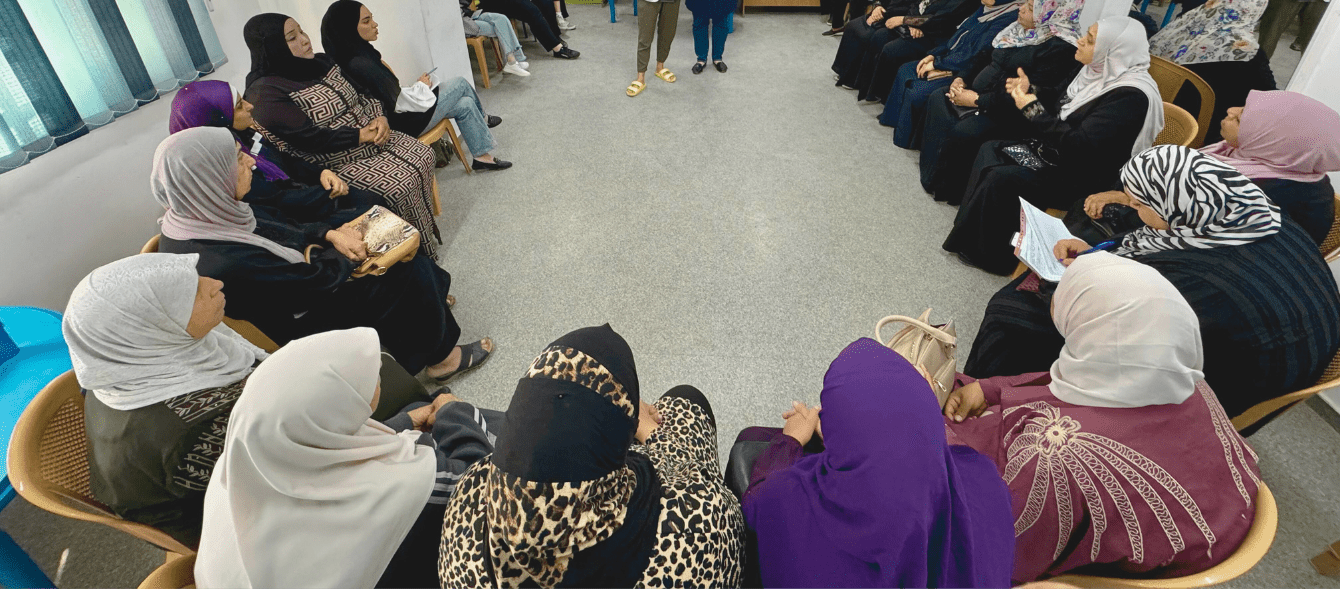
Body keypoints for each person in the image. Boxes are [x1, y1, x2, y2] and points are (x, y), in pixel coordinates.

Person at [945, 252, 1262, 584]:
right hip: (1209, 525)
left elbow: (996, 551)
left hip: (1087, 562)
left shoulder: (1053, 457)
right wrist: (993, 389)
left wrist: (925, 418)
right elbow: (1065, 391)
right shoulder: (1183, 379)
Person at [964, 146, 1340, 418]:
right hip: (1280, 351)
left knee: (1011, 317)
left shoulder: (1200, 280)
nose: (1134, 211)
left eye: (1141, 204)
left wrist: (1063, 278)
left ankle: (989, 409)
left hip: (1219, 383)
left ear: (1175, 206)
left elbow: (1133, 319)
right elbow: (1154, 246)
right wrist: (1099, 252)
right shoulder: (1249, 214)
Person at [153, 127, 493, 382]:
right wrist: (345, 255)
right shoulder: (222, 259)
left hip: (289, 282)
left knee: (372, 234)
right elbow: (312, 283)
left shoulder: (197, 213)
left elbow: (275, 226)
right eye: (239, 162)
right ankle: (442, 359)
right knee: (404, 270)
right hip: (298, 321)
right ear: (209, 177)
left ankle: (426, 309)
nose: (252, 166)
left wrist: (326, 233)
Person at [438, 324, 744, 588]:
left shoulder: (468, 499)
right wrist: (647, 431)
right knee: (686, 398)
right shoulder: (697, 526)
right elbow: (698, 484)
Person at [194, 328, 500, 588]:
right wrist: (453, 411)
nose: (379, 375)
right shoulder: (394, 487)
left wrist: (402, 424)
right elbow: (481, 480)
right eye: (372, 377)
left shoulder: (239, 464)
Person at [736, 339, 1015, 589]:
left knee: (752, 439)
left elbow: (756, 501)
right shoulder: (989, 490)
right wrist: (917, 416)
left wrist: (792, 440)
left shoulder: (788, 505)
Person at [63, 253, 266, 546]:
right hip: (233, 528)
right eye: (191, 294)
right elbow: (278, 475)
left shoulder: (131, 365)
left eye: (196, 279)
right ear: (147, 327)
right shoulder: (192, 429)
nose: (214, 283)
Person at [942, 17, 1164, 274]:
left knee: (1003, 177)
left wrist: (1031, 108)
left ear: (1113, 51)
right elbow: (1059, 95)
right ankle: (969, 231)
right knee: (991, 148)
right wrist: (1031, 89)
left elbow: (1079, 146)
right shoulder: (1095, 69)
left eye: (1090, 40)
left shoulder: (1129, 97)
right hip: (1059, 154)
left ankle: (992, 255)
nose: (1081, 40)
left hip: (1084, 176)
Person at [241, 13, 442, 255]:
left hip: (374, 137)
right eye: (292, 38)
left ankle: (422, 242)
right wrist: (360, 136)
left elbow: (364, 93)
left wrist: (381, 117)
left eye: (302, 31)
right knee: (397, 186)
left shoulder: (323, 61)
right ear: (273, 47)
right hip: (334, 159)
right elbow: (309, 137)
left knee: (422, 154)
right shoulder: (265, 93)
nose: (305, 40)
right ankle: (409, 255)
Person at [1086, 89, 1340, 246]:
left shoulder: (1266, 193)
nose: (1230, 110)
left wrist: (1127, 200)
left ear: (1273, 141)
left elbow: (1182, 232)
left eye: (1240, 118)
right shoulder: (1244, 156)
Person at [919, 0, 1084, 204]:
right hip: (980, 93)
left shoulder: (1061, 49)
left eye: (1031, 8)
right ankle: (931, 174)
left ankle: (949, 189)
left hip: (1010, 111)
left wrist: (977, 100)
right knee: (939, 97)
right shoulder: (1017, 29)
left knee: (965, 132)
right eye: (1025, 4)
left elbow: (1029, 93)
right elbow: (984, 55)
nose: (1022, 10)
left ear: (1051, 15)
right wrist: (961, 78)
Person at [320, 0, 511, 171]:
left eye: (372, 19)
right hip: (402, 123)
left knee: (466, 104)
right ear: (348, 28)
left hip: (403, 115)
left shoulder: (360, 55)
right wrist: (420, 87)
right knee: (460, 84)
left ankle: (482, 158)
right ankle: (483, 118)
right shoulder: (359, 64)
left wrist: (418, 87)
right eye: (366, 21)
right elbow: (394, 103)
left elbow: (391, 94)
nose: (374, 24)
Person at [169, 79, 387, 222]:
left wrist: (321, 173)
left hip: (303, 197)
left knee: (375, 199)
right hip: (292, 218)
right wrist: (326, 194)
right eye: (238, 106)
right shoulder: (224, 167)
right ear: (217, 119)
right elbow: (276, 201)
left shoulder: (243, 135)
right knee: (373, 206)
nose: (249, 106)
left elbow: (284, 160)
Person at [881, 0, 1030, 140]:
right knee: (906, 69)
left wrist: (939, 64)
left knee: (918, 90)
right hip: (949, 57)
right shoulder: (986, 8)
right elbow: (957, 35)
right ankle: (895, 122)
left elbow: (974, 54)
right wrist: (933, 56)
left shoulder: (1004, 22)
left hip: (962, 69)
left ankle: (906, 137)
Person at [857, 0, 989, 103]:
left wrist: (906, 20)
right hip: (919, 26)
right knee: (880, 35)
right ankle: (868, 88)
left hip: (935, 36)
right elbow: (919, 3)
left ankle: (885, 96)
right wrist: (913, 21)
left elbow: (942, 19)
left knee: (892, 50)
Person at [1149, 0, 1275, 145]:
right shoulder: (1246, 51)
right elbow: (1269, 96)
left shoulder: (1179, 26)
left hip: (1151, 109)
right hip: (1197, 126)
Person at [458, 0, 531, 77]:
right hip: (463, 23)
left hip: (470, 15)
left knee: (502, 18)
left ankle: (518, 58)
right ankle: (512, 61)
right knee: (499, 27)